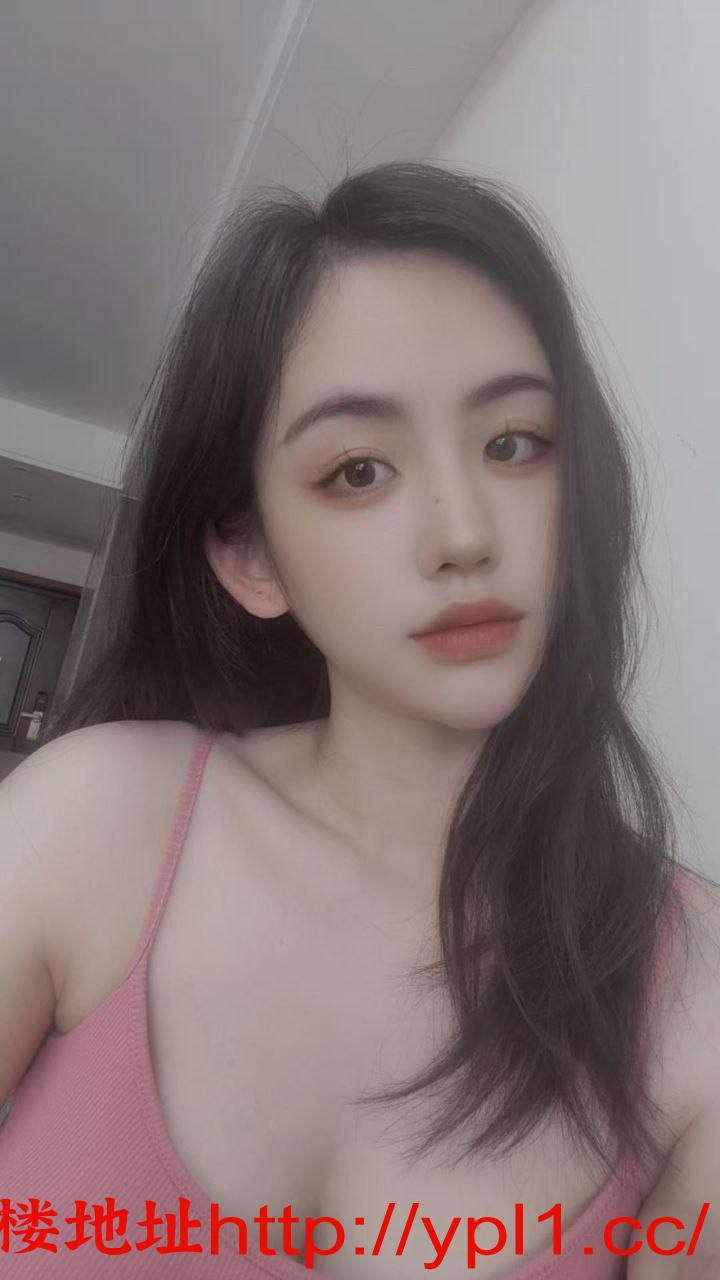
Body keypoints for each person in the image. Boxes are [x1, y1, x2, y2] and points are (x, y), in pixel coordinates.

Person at [1, 160, 718, 1278]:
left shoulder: (698, 989)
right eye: (359, 469)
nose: (463, 532)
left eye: (514, 443)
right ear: (250, 554)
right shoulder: (88, 821)